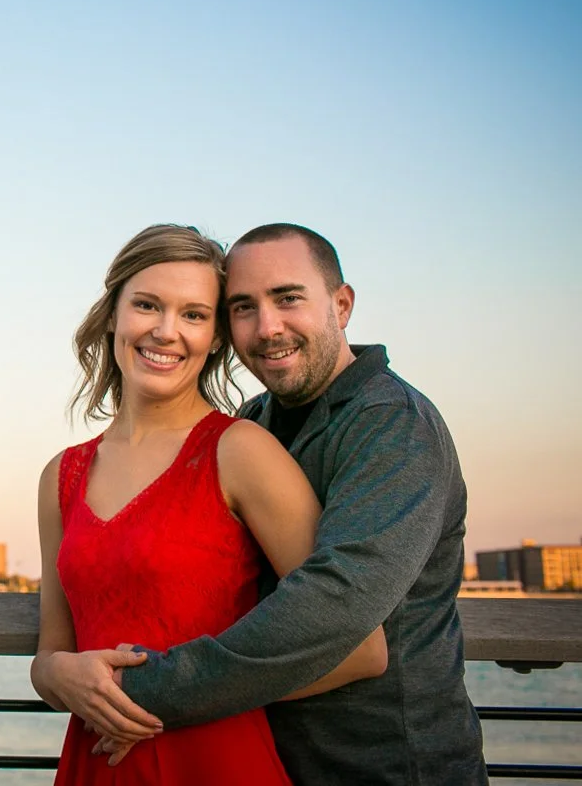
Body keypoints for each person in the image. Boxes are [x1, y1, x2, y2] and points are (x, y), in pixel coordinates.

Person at [87, 223, 486, 785]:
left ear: (342, 306)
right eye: (243, 307)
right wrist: (57, 667)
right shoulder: (252, 424)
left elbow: (336, 604)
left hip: (391, 766)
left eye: (288, 298)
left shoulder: (393, 423)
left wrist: (129, 693)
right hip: (267, 761)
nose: (267, 327)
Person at [31, 224, 388, 785]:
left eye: (194, 315)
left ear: (217, 336)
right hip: (98, 763)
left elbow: (360, 648)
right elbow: (52, 652)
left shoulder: (242, 451)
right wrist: (59, 677)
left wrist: (158, 697)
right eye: (147, 305)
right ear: (112, 315)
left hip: (217, 760)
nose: (167, 332)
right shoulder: (62, 476)